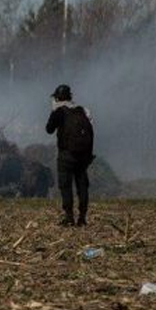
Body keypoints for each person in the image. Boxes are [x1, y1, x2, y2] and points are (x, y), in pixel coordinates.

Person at [45, 84, 94, 226]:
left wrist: (54, 110)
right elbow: (91, 129)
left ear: (57, 97)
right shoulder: (83, 110)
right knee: (82, 185)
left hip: (66, 154)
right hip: (83, 155)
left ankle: (69, 217)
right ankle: (83, 217)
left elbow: (49, 129)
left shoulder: (59, 111)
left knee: (65, 185)